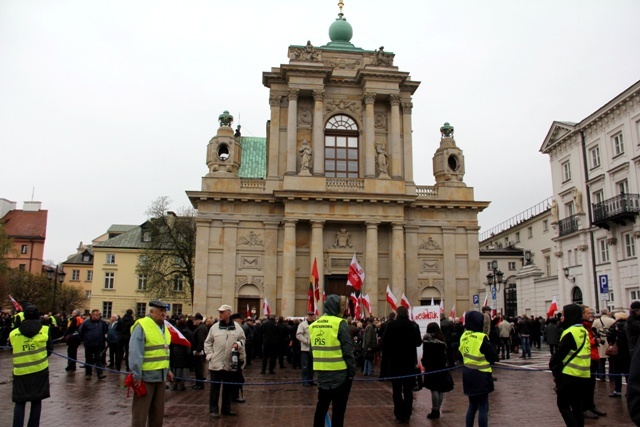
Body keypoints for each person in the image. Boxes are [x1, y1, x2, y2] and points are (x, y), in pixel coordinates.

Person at [309, 294, 356, 427]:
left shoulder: (314, 325)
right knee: (339, 410)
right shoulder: (340, 323)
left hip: (322, 373)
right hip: (340, 374)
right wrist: (351, 372)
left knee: (321, 407)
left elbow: (312, 351)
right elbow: (348, 351)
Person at [129, 300, 174, 427]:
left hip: (160, 376)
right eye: (160, 311)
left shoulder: (163, 327)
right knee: (140, 414)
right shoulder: (142, 326)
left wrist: (168, 370)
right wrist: (136, 375)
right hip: (145, 377)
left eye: (165, 310)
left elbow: (164, 350)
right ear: (151, 312)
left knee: (157, 414)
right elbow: (135, 352)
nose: (163, 313)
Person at [10, 305, 52, 427]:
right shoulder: (45, 330)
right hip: (40, 370)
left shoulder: (14, 333)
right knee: (36, 401)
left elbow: (14, 348)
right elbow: (49, 350)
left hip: (20, 371)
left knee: (19, 401)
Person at [549, 304, 591, 427]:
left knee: (563, 405)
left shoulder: (570, 332)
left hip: (569, 375)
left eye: (563, 314)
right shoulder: (583, 330)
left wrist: (554, 369)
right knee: (577, 406)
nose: (561, 317)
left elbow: (558, 355)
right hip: (583, 374)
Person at [380, 306, 422, 424]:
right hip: (409, 362)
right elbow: (418, 343)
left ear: (397, 313)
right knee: (408, 390)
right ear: (407, 313)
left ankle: (399, 414)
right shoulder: (413, 325)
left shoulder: (391, 326)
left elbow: (385, 344)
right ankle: (407, 414)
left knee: (397, 390)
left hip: (395, 362)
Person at [204, 304, 246, 418]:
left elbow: (242, 339)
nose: (220, 314)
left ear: (229, 313)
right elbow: (208, 342)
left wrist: (238, 344)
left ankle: (226, 409)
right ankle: (213, 409)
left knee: (228, 387)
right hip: (216, 363)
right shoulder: (215, 327)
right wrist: (210, 355)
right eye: (220, 312)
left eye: (223, 312)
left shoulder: (237, 327)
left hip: (230, 363)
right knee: (215, 388)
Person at [460, 310, 498, 427]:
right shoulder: (481, 337)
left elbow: (460, 353)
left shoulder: (464, 336)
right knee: (483, 406)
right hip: (481, 374)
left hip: (467, 373)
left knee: (472, 405)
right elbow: (493, 356)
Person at [422, 322, 454, 420]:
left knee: (434, 389)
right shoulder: (442, 341)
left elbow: (426, 355)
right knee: (440, 389)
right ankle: (437, 409)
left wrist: (424, 363)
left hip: (431, 367)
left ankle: (434, 410)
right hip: (441, 366)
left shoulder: (427, 341)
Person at [78, 309, 108, 380]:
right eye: (96, 315)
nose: (97, 316)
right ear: (92, 315)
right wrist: (85, 339)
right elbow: (81, 331)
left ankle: (99, 373)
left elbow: (105, 331)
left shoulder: (102, 323)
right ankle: (88, 374)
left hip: (98, 344)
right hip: (89, 344)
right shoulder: (86, 323)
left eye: (98, 315)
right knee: (88, 359)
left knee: (98, 359)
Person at [607, 311, 630, 398]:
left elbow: (610, 339)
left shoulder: (614, 326)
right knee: (628, 373)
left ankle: (617, 390)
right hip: (627, 352)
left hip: (617, 353)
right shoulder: (628, 325)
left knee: (617, 372)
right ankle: (629, 391)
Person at [169, 315, 193, 391]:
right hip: (185, 352)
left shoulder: (174, 330)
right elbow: (191, 342)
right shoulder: (188, 331)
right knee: (183, 369)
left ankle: (175, 384)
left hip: (175, 351)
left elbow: (170, 341)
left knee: (175, 369)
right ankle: (182, 384)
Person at [296, 311, 316, 386]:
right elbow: (298, 335)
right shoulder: (302, 325)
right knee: (305, 366)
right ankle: (305, 381)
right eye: (309, 316)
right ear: (306, 316)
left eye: (311, 316)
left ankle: (310, 380)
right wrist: (306, 341)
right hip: (305, 348)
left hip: (313, 348)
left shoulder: (315, 324)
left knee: (312, 366)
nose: (310, 317)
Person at [191, 313, 208, 390]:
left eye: (195, 320)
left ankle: (199, 384)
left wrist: (198, 350)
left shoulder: (201, 328)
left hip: (199, 352)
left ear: (199, 320)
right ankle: (198, 383)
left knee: (199, 368)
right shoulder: (202, 327)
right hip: (200, 350)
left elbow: (201, 340)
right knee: (198, 368)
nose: (194, 321)